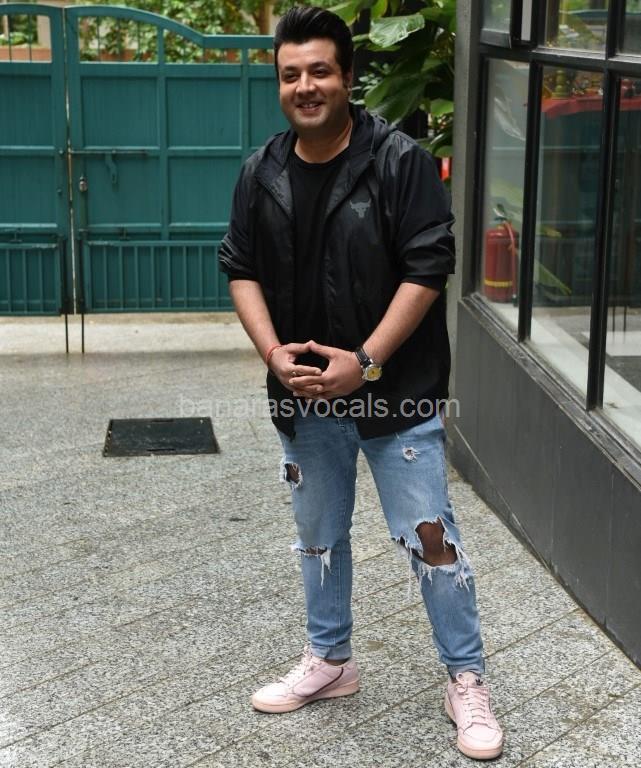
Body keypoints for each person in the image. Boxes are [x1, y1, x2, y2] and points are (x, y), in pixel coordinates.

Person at [218, 6, 504, 761]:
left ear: (347, 76)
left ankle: (466, 678)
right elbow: (239, 267)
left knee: (430, 538)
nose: (305, 86)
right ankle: (330, 660)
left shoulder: (400, 162)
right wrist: (272, 351)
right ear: (279, 83)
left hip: (395, 392)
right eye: (290, 74)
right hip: (304, 396)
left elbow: (427, 270)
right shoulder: (260, 172)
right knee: (317, 536)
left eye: (319, 70)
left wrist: (366, 361)